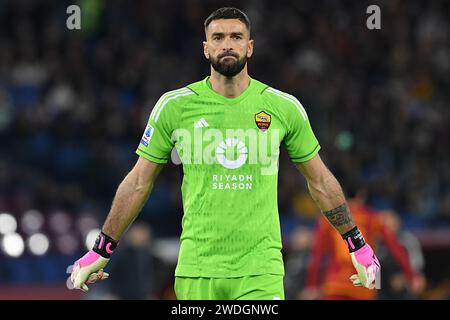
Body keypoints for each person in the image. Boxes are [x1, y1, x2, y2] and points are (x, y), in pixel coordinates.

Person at [70, 7, 380, 300]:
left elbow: (320, 182)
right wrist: (101, 249)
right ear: (206, 48)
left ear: (250, 47)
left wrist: (358, 245)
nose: (227, 44)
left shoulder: (283, 107)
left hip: (260, 270)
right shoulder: (174, 107)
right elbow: (139, 182)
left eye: (236, 37)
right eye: (218, 37)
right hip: (197, 270)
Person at [302, 187, 425, 300]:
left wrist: (311, 285)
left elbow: (317, 253)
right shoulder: (373, 218)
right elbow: (395, 248)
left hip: (335, 282)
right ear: (362, 195)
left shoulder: (327, 219)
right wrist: (412, 276)